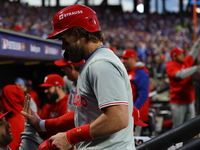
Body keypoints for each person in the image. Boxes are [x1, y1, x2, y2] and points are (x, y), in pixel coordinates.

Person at [22, 4, 135, 150]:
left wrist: (69, 137)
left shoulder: (101, 64)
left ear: (76, 34)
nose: (63, 47)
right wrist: (41, 124)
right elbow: (83, 114)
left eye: (64, 40)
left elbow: (117, 118)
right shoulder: (93, 62)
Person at [166, 38, 200, 128]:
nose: (182, 56)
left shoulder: (186, 62)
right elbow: (180, 75)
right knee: (178, 129)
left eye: (182, 54)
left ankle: (189, 143)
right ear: (174, 57)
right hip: (178, 102)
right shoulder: (170, 65)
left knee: (190, 128)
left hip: (190, 100)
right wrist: (195, 68)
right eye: (180, 55)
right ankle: (177, 143)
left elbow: (195, 49)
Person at [121, 49, 150, 135]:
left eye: (126, 59)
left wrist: (133, 109)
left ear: (133, 58)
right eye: (123, 58)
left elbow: (143, 94)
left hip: (136, 112)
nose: (124, 61)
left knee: (134, 139)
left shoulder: (140, 72)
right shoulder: (129, 71)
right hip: (129, 111)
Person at [1, 85, 25, 150]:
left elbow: (11, 147)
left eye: (3, 98)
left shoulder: (14, 121)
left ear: (7, 99)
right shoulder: (24, 116)